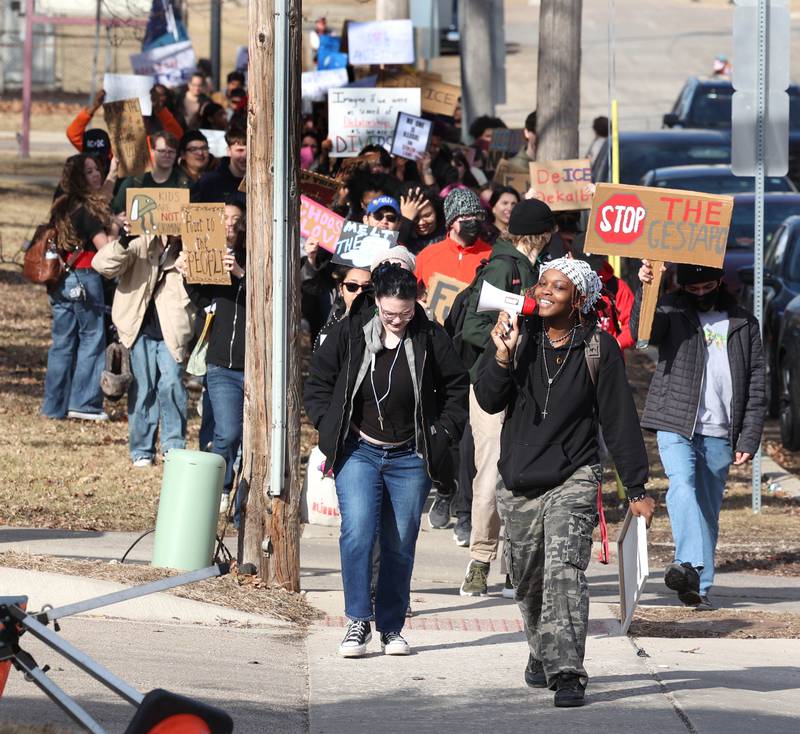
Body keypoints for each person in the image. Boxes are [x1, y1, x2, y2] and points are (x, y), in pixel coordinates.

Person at [474, 257, 653, 707]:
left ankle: (568, 671)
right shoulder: (520, 337)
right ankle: (542, 649)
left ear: (578, 300)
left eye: (558, 286)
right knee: (528, 581)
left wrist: (635, 488)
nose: (546, 291)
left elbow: (618, 420)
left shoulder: (598, 348)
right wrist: (501, 353)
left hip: (573, 475)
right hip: (518, 478)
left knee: (564, 572)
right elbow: (488, 398)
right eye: (543, 284)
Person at [304, 264, 469, 658]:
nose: (398, 321)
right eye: (390, 313)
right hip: (358, 449)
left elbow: (457, 388)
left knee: (399, 543)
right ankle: (357, 621)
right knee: (358, 532)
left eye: (406, 313)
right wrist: (328, 426)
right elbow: (318, 382)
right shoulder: (350, 330)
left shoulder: (430, 336)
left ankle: (391, 627)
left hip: (410, 455)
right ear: (375, 301)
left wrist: (440, 433)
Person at [633, 260, 766, 610]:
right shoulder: (671, 309)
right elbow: (641, 332)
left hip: (721, 430)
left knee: (707, 510)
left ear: (720, 282)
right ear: (682, 286)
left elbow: (756, 382)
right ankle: (689, 564)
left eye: (708, 287)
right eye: (694, 289)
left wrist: (749, 437)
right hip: (676, 421)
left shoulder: (743, 322)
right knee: (682, 484)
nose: (701, 294)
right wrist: (647, 288)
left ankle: (699, 588)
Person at [458, 199, 556, 597]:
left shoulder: (538, 268)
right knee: (491, 476)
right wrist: (506, 346)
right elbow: (472, 326)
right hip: (492, 383)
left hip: (527, 386)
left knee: (524, 475)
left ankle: (516, 563)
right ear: (541, 231)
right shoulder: (504, 266)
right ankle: (480, 562)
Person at [92, 227, 194, 467]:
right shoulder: (139, 244)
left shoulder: (189, 248)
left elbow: (205, 284)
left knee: (171, 385)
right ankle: (142, 450)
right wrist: (124, 240)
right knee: (143, 387)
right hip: (138, 329)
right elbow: (103, 265)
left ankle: (173, 447)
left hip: (174, 330)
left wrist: (188, 268)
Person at [178, 201, 247, 516]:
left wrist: (240, 273)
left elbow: (272, 294)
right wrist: (188, 274)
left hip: (256, 366)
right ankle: (220, 486)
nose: (230, 225)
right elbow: (202, 299)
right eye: (225, 219)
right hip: (220, 363)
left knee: (252, 438)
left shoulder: (254, 255)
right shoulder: (206, 252)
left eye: (236, 220)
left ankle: (244, 494)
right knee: (227, 431)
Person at [42, 154, 120, 421]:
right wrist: (116, 227)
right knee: (92, 339)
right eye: (89, 172)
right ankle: (84, 403)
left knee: (62, 344)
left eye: (97, 169)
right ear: (78, 178)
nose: (96, 175)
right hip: (85, 278)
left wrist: (113, 173)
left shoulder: (62, 203)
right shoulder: (87, 209)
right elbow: (106, 249)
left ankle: (53, 407)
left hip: (60, 280)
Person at [414, 188, 492, 301]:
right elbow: (408, 292)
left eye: (478, 215)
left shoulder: (492, 255)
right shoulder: (427, 255)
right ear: (451, 221)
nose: (473, 220)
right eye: (465, 216)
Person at [112, 131, 191, 213]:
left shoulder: (185, 183)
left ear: (176, 154)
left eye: (171, 152)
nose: (167, 155)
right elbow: (116, 213)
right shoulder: (133, 182)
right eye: (162, 151)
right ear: (152, 152)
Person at [191, 123, 246, 205]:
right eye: (240, 150)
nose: (246, 156)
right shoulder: (209, 182)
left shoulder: (262, 182)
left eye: (250, 151)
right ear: (228, 151)